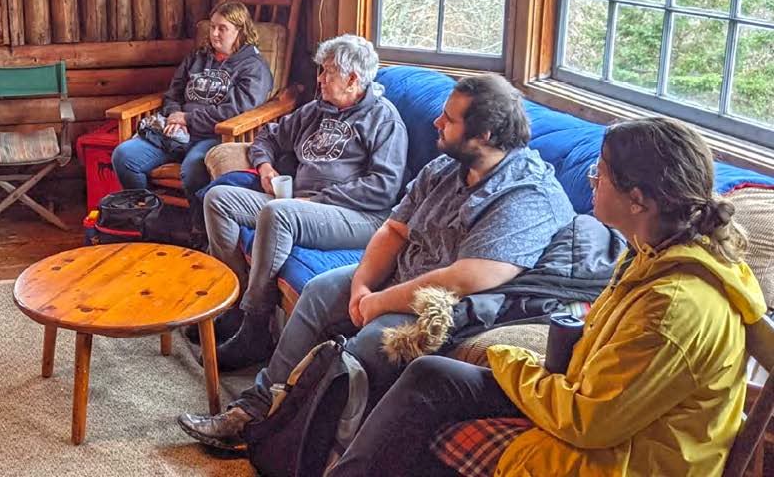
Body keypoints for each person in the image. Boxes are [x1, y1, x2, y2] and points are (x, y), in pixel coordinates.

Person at [322, 116, 764, 477]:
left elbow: (588, 422)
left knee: (423, 425)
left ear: (638, 200)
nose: (592, 181)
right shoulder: (649, 256)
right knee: (431, 374)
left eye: (601, 174)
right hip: (604, 416)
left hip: (625, 459)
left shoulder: (674, 305)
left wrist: (508, 360)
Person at [179, 73, 576, 451]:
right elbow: (393, 231)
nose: (437, 122)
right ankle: (257, 406)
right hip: (404, 275)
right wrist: (362, 287)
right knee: (319, 292)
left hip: (445, 309)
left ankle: (293, 434)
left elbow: (467, 277)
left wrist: (380, 303)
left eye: (449, 119)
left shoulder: (526, 194)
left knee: (371, 342)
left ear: (485, 135)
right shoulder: (447, 167)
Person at [196, 34, 408, 370]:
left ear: (353, 79)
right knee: (218, 198)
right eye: (321, 71)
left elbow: (382, 188)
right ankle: (232, 305)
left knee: (279, 213)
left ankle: (254, 329)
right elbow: (267, 135)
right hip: (299, 203)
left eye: (328, 73)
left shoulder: (384, 121)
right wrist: (265, 167)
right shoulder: (317, 110)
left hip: (359, 216)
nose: (320, 79)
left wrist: (315, 199)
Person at [111, 1, 273, 198]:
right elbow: (174, 93)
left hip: (215, 136)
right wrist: (173, 115)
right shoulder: (198, 57)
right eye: (212, 27)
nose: (214, 34)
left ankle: (199, 227)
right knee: (124, 157)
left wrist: (187, 119)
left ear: (240, 31)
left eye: (222, 28)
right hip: (176, 131)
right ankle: (148, 215)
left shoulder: (253, 67)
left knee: (193, 170)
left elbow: (234, 110)